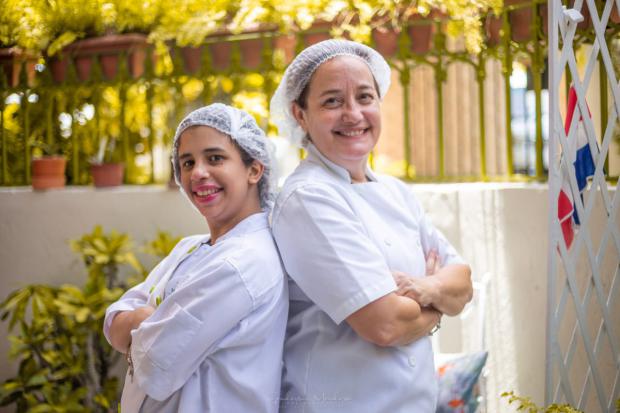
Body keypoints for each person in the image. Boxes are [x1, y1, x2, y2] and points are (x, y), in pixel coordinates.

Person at [269, 39, 473, 412]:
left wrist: (422, 288)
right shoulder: (309, 199)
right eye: (332, 101)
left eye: (365, 97)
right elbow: (386, 325)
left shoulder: (395, 192)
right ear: (300, 115)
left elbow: (463, 283)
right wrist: (437, 304)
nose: (353, 114)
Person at [103, 103, 288, 412]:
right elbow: (113, 319)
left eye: (215, 158)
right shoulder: (190, 248)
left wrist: (140, 322)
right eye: (187, 162)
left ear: (254, 169)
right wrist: (144, 325)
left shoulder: (243, 263)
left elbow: (154, 366)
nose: (198, 173)